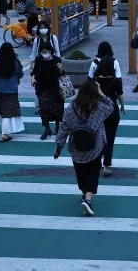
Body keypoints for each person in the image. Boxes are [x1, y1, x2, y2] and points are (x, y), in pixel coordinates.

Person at [54, 79, 115, 216]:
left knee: (80, 171)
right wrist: (100, 92)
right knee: (93, 172)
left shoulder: (71, 108)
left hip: (76, 147)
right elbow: (111, 105)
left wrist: (58, 146)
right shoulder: (99, 107)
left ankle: (84, 192)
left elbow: (64, 128)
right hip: (95, 147)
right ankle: (88, 199)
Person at [88, 42, 125, 177]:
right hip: (111, 108)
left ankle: (94, 162)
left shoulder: (93, 65)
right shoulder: (115, 63)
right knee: (110, 138)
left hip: (96, 108)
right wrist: (123, 106)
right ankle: (106, 167)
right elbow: (120, 89)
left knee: (96, 137)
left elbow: (88, 83)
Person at [31, 40, 65, 140]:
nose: (44, 53)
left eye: (46, 51)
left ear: (50, 50)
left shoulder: (57, 59)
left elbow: (62, 74)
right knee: (44, 109)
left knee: (58, 109)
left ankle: (58, 127)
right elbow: (34, 71)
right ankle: (47, 129)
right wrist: (33, 78)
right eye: (42, 51)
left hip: (56, 88)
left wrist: (60, 69)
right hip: (42, 88)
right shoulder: (38, 59)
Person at [0, 43, 25, 142]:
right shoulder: (15, 62)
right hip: (12, 89)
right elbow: (20, 74)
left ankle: (3, 130)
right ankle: (4, 133)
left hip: (0, 89)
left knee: (2, 109)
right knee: (8, 112)